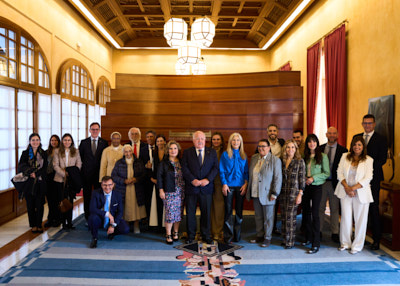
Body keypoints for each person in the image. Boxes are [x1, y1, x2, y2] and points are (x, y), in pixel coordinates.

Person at [353, 114, 388, 250]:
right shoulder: (357, 138)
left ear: (374, 124)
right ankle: (358, 236)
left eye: (370, 123)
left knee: (373, 209)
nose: (367, 125)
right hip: (356, 179)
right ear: (362, 124)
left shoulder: (381, 139)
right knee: (358, 208)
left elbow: (382, 160)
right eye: (365, 123)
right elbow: (353, 155)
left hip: (373, 179)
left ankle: (376, 239)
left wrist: (368, 170)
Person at [335, 136, 373, 254]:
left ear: (363, 147)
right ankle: (345, 243)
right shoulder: (344, 157)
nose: (357, 147)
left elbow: (368, 177)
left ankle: (357, 246)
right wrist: (347, 188)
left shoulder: (368, 160)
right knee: (345, 218)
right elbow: (339, 173)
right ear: (351, 146)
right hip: (345, 191)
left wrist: (354, 188)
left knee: (360, 220)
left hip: (361, 193)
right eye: (355, 145)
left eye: (359, 145)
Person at [182, 131, 219, 244]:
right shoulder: (187, 152)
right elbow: (184, 167)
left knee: (206, 213)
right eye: (197, 139)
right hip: (191, 187)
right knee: (190, 212)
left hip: (206, 188)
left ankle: (206, 235)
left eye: (202, 138)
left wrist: (207, 180)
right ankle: (191, 235)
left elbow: (215, 168)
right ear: (193, 140)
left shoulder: (211, 152)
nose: (200, 141)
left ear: (205, 140)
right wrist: (192, 179)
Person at [247, 139, 282, 247]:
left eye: (263, 146)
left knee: (268, 217)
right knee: (258, 216)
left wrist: (275, 193)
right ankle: (259, 235)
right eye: (259, 146)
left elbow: (278, 178)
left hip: (268, 194)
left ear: (269, 148)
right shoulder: (254, 158)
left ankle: (267, 237)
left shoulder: (275, 160)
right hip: (255, 191)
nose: (261, 148)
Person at [319, 127, 348, 243]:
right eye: (329, 133)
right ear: (326, 134)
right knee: (320, 208)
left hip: (336, 184)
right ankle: (319, 231)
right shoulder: (320, 148)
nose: (331, 135)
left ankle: (335, 232)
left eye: (334, 133)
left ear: (337, 135)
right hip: (321, 183)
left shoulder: (344, 151)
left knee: (334, 208)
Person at [302, 134, 330, 254]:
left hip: (317, 186)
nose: (311, 144)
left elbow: (326, 173)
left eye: (314, 141)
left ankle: (316, 243)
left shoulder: (322, 156)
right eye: (309, 142)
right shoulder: (305, 156)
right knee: (306, 213)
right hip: (305, 186)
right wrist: (304, 178)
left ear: (317, 143)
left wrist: (313, 178)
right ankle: (308, 238)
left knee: (315, 214)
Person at [220, 132, 249, 244]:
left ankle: (237, 235)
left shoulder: (243, 155)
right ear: (230, 142)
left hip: (240, 186)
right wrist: (224, 184)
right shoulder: (225, 155)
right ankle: (228, 236)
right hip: (229, 186)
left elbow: (246, 171)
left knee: (239, 212)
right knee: (228, 212)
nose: (236, 142)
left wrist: (245, 184)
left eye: (238, 140)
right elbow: (222, 170)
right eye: (234, 140)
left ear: (240, 142)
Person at [111, 144, 146, 234]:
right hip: (123, 189)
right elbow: (113, 176)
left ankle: (136, 225)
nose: (128, 153)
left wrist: (136, 179)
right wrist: (123, 181)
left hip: (136, 189)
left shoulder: (138, 162)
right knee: (125, 207)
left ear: (132, 151)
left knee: (136, 208)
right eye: (126, 152)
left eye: (129, 151)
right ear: (123, 153)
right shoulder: (119, 162)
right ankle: (125, 225)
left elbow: (144, 175)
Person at [17, 133, 48, 233]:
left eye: (37, 140)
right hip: (28, 183)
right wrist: (30, 173)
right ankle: (33, 225)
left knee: (39, 204)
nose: (35, 142)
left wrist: (37, 173)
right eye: (33, 140)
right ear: (30, 142)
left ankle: (39, 224)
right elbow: (21, 166)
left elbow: (45, 168)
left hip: (40, 182)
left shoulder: (43, 153)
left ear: (40, 141)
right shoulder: (25, 153)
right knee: (30, 204)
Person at [88, 176, 129, 248]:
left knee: (125, 228)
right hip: (100, 218)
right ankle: (94, 238)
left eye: (110, 185)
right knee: (92, 218)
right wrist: (107, 214)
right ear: (101, 185)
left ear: (113, 185)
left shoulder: (118, 195)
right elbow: (92, 208)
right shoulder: (95, 193)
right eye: (105, 185)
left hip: (112, 219)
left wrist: (113, 225)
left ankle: (111, 233)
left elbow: (120, 212)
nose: (107, 187)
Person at [79, 122, 108, 221]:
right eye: (93, 129)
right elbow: (81, 158)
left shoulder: (104, 143)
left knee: (99, 196)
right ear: (89, 130)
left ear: (99, 130)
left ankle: (99, 216)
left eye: (96, 129)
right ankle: (87, 217)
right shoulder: (84, 142)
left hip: (99, 175)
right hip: (86, 174)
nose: (95, 131)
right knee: (87, 197)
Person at [157, 141, 185, 244]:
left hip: (180, 191)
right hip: (169, 191)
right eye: (171, 149)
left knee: (178, 213)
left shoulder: (182, 162)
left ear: (178, 150)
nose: (173, 151)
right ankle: (168, 234)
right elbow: (159, 177)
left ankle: (176, 232)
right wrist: (161, 190)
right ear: (167, 150)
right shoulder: (163, 163)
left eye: (175, 148)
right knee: (170, 214)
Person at [53, 133, 82, 229]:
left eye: (69, 140)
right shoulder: (57, 151)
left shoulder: (76, 151)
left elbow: (79, 164)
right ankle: (63, 222)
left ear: (71, 141)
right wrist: (64, 173)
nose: (67, 142)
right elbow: (55, 165)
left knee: (70, 200)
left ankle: (69, 222)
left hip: (71, 180)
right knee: (61, 200)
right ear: (62, 141)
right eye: (65, 140)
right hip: (59, 180)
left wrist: (73, 173)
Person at [280, 139, 305, 249]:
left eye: (292, 147)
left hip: (293, 193)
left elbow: (302, 179)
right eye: (288, 147)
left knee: (291, 217)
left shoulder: (300, 161)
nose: (290, 149)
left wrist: (300, 194)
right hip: (282, 193)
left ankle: (290, 242)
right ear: (285, 149)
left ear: (296, 149)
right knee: (284, 217)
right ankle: (285, 239)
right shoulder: (281, 161)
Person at [128, 127, 151, 226]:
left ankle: (144, 219)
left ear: (140, 135)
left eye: (136, 134)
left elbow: (149, 162)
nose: (134, 136)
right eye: (132, 134)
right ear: (129, 136)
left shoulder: (146, 147)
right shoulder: (126, 147)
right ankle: (131, 219)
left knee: (144, 198)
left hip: (143, 177)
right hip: (129, 178)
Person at [266, 124, 285, 235]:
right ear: (267, 132)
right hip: (268, 178)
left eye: (274, 130)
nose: (272, 132)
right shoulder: (263, 143)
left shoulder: (282, 143)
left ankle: (275, 227)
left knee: (278, 203)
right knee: (269, 203)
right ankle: (268, 228)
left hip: (280, 176)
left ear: (277, 132)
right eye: (270, 131)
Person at [210, 132, 225, 241]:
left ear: (221, 141)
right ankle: (209, 230)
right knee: (208, 207)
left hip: (219, 182)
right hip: (208, 183)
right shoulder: (207, 151)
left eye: (218, 139)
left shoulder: (224, 153)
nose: (215, 141)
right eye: (214, 139)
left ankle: (218, 231)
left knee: (219, 208)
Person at [150, 134, 167, 230]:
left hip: (166, 182)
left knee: (166, 204)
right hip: (156, 182)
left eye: (161, 141)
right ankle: (158, 227)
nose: (159, 143)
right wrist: (152, 178)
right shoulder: (153, 153)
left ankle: (166, 226)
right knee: (157, 204)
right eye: (158, 141)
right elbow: (151, 167)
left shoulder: (168, 152)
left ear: (165, 142)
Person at [44, 135, 61, 228]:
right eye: (52, 140)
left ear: (58, 141)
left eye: (55, 140)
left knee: (56, 199)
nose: (53, 142)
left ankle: (58, 218)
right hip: (48, 178)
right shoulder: (46, 152)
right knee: (50, 200)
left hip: (57, 177)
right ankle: (50, 218)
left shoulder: (61, 152)